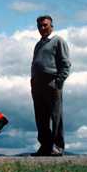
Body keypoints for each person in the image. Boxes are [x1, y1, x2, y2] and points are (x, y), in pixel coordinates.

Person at [30, 15, 71, 156]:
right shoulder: (39, 44)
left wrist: (58, 82)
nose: (42, 28)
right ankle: (45, 146)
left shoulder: (58, 40)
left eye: (45, 25)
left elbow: (66, 63)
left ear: (51, 26)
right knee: (41, 117)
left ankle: (58, 147)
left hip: (52, 83)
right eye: (40, 26)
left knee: (56, 116)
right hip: (37, 85)